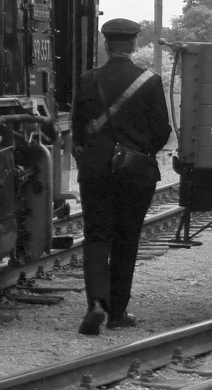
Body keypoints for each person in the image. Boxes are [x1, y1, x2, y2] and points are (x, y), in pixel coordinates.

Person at [71, 17, 173, 335]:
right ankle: (117, 312)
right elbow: (162, 131)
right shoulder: (150, 81)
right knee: (127, 239)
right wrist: (141, 154)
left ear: (106, 44)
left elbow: (77, 130)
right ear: (131, 45)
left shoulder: (88, 80)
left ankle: (96, 304)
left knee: (97, 236)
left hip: (96, 171)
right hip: (135, 172)